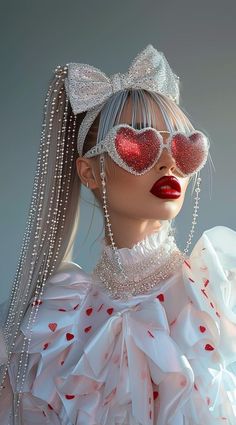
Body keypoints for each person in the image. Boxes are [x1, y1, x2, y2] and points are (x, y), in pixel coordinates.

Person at [0, 44, 236, 425]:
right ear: (88, 172)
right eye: (138, 145)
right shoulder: (54, 321)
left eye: (182, 145)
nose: (168, 162)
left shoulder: (217, 297)